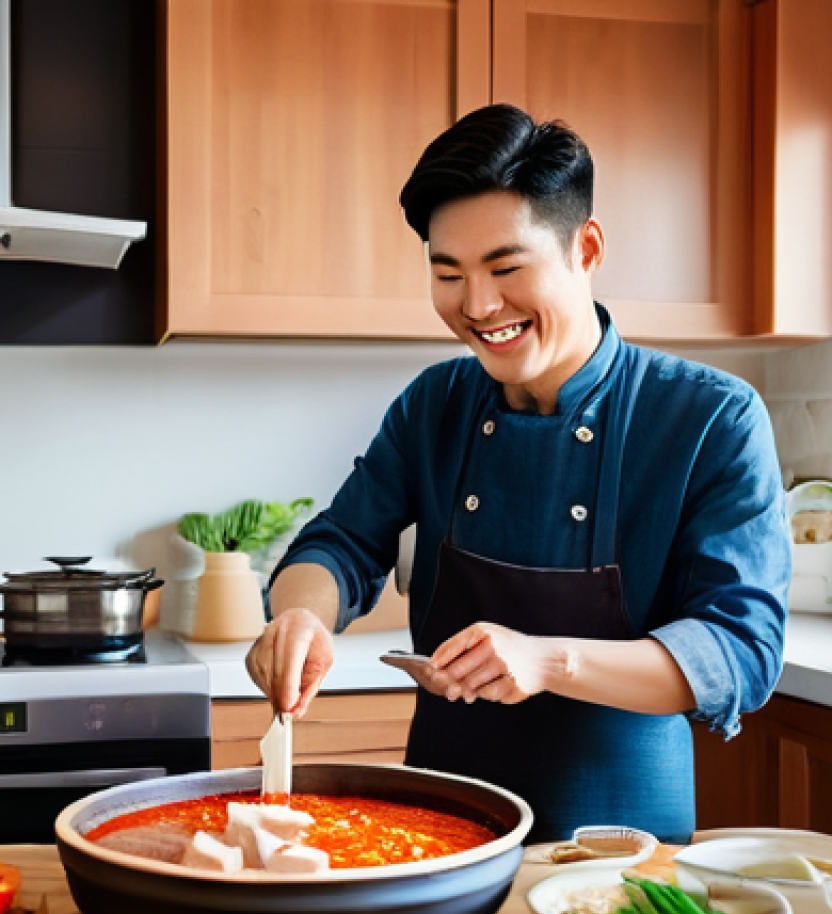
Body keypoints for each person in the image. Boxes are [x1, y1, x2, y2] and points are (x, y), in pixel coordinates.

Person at [245, 104, 791, 845]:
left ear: (585, 248)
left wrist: (548, 660)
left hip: (621, 847)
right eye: (449, 274)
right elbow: (340, 542)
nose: (477, 306)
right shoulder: (434, 403)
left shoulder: (710, 419)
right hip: (437, 829)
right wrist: (299, 616)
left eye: (506, 268)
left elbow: (741, 652)